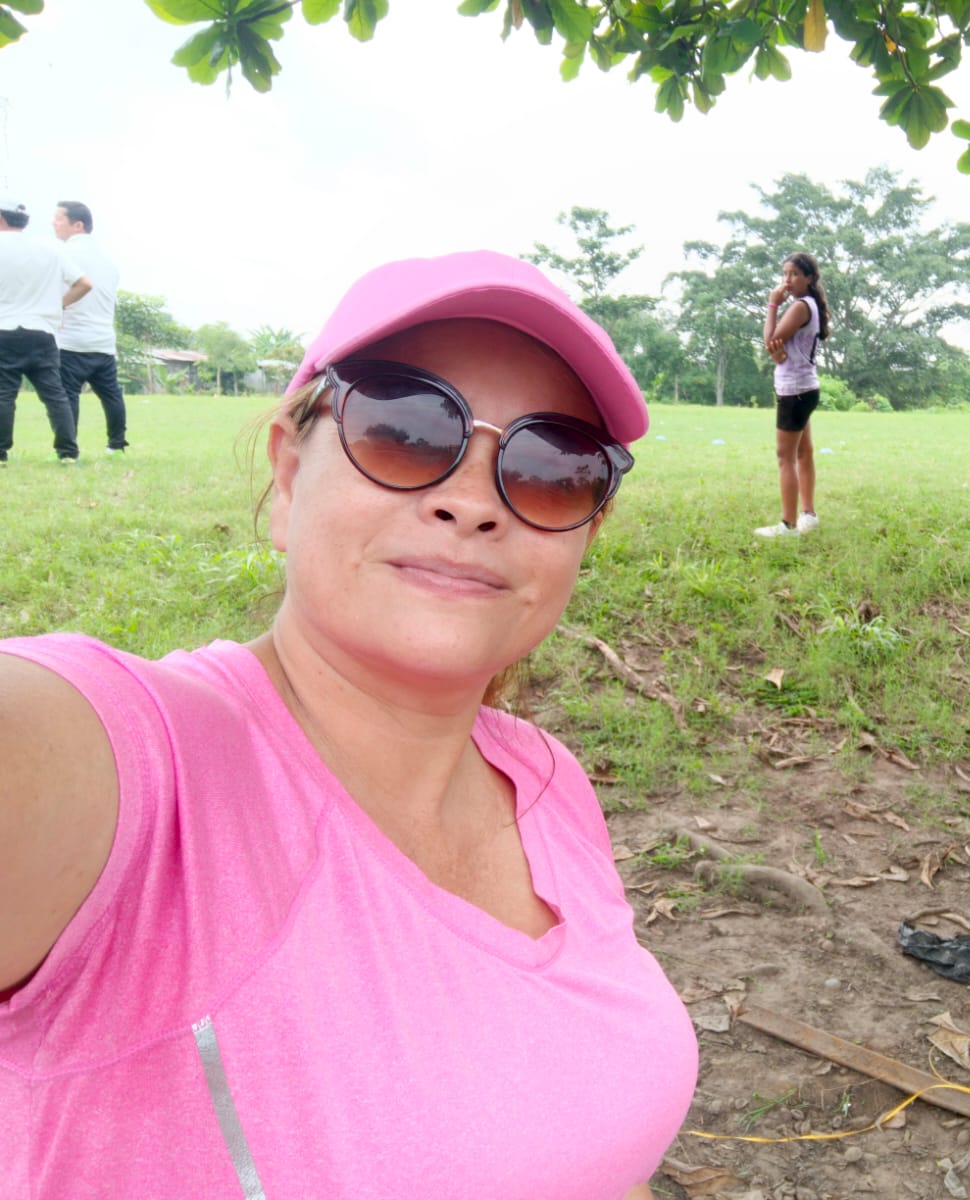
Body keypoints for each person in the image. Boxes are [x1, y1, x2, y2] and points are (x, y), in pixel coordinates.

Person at [0, 251, 697, 1197]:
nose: (472, 502)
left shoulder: (544, 780)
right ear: (290, 478)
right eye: (404, 427)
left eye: (552, 466)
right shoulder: (144, 770)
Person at [0, 198, 91, 465]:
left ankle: (1, 453)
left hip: (4, 330)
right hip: (42, 331)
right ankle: (67, 452)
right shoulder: (50, 249)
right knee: (54, 395)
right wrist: (57, 305)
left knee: (4, 393)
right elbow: (84, 284)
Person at [756, 251, 830, 538]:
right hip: (805, 387)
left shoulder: (800, 306)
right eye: (785, 274)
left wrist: (773, 304)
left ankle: (788, 525)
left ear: (809, 278)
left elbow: (770, 339)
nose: (788, 280)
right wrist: (778, 354)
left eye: (795, 274)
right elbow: (778, 347)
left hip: (794, 391)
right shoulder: (809, 304)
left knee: (785, 456)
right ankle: (808, 514)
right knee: (803, 452)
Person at [53, 201, 130, 455]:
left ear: (78, 225)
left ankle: (67, 451)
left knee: (68, 396)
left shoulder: (63, 255)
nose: (54, 223)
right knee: (112, 396)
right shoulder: (108, 260)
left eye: (59, 218)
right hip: (103, 341)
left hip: (71, 340)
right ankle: (116, 446)